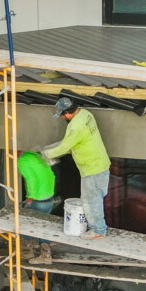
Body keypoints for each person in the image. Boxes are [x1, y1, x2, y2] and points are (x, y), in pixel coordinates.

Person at [42, 97, 111, 237]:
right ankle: (98, 227)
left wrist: (45, 153)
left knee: (91, 200)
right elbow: (72, 144)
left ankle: (98, 231)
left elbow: (66, 146)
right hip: (100, 164)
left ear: (67, 113)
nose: (62, 118)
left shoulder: (75, 126)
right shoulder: (86, 114)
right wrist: (50, 148)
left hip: (92, 169)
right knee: (95, 198)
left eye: (62, 115)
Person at [17, 149, 58, 214]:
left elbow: (31, 179)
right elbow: (52, 175)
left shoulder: (23, 160)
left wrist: (31, 196)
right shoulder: (37, 155)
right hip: (50, 200)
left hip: (38, 201)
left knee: (30, 223)